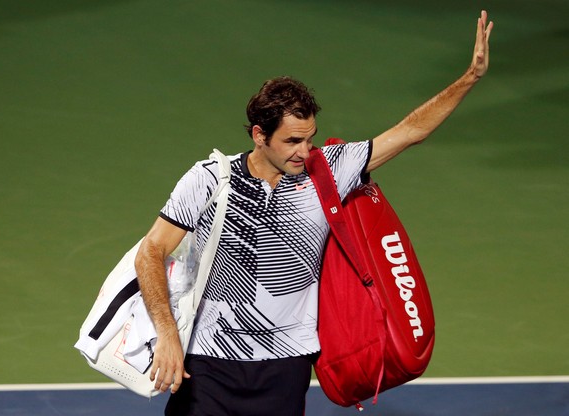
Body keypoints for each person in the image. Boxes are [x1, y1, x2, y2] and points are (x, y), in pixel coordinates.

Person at [134, 10, 493, 416]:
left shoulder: (331, 169)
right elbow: (151, 251)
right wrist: (167, 335)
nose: (305, 152)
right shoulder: (209, 180)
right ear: (259, 135)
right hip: (208, 362)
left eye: (310, 139)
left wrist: (469, 79)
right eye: (291, 141)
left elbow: (411, 131)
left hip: (286, 363)